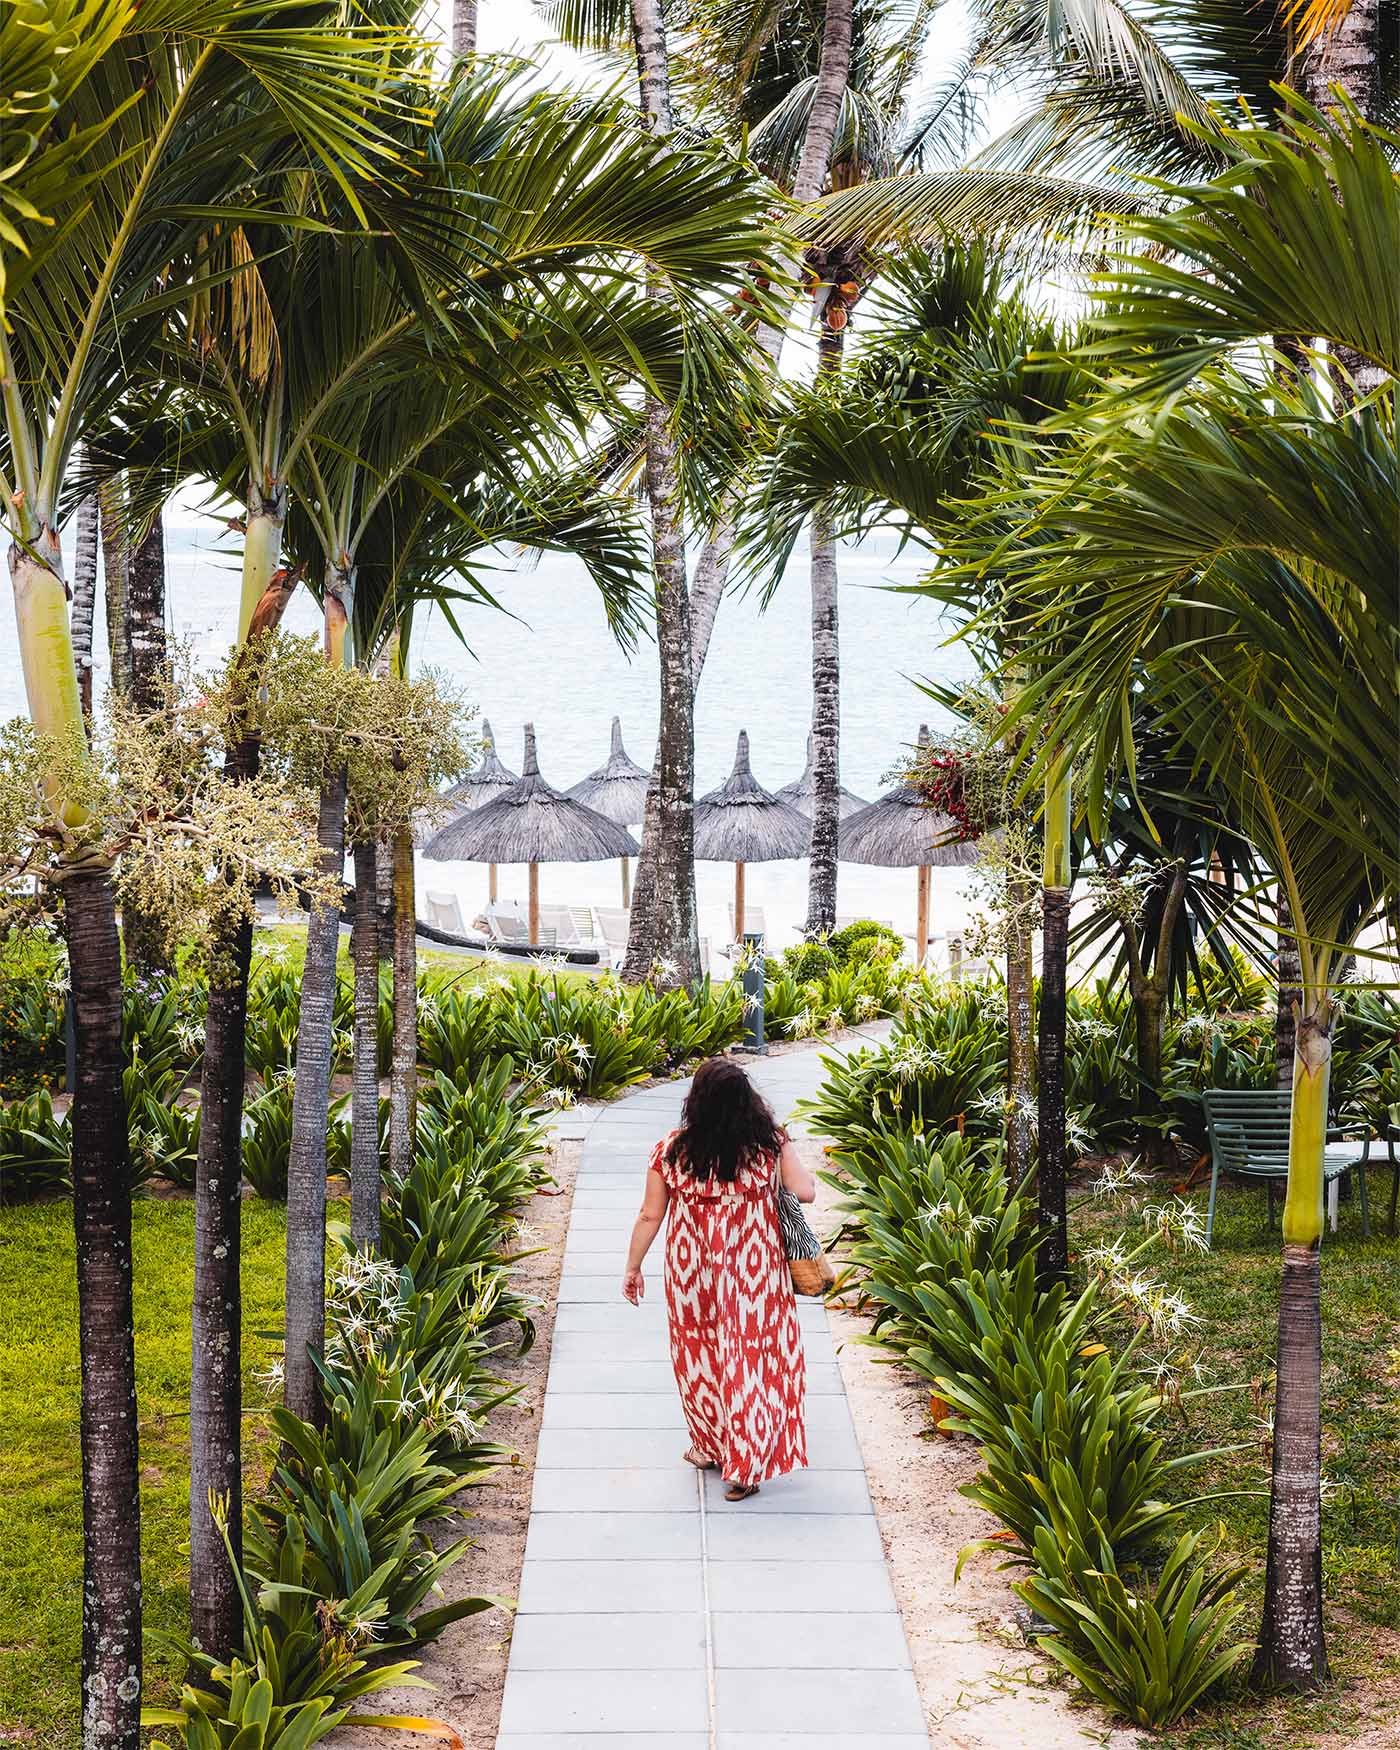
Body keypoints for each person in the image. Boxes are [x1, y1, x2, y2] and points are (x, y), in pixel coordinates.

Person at [621, 1056, 815, 1501]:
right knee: (750, 1359)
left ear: (697, 1102)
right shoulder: (768, 1145)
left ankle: (710, 1445)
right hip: (753, 1274)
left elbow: (651, 1214)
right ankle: (744, 1463)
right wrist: (782, 1145)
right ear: (748, 1101)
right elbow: (805, 1191)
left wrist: (633, 1267)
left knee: (700, 1357)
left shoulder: (673, 1149)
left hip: (692, 1273)